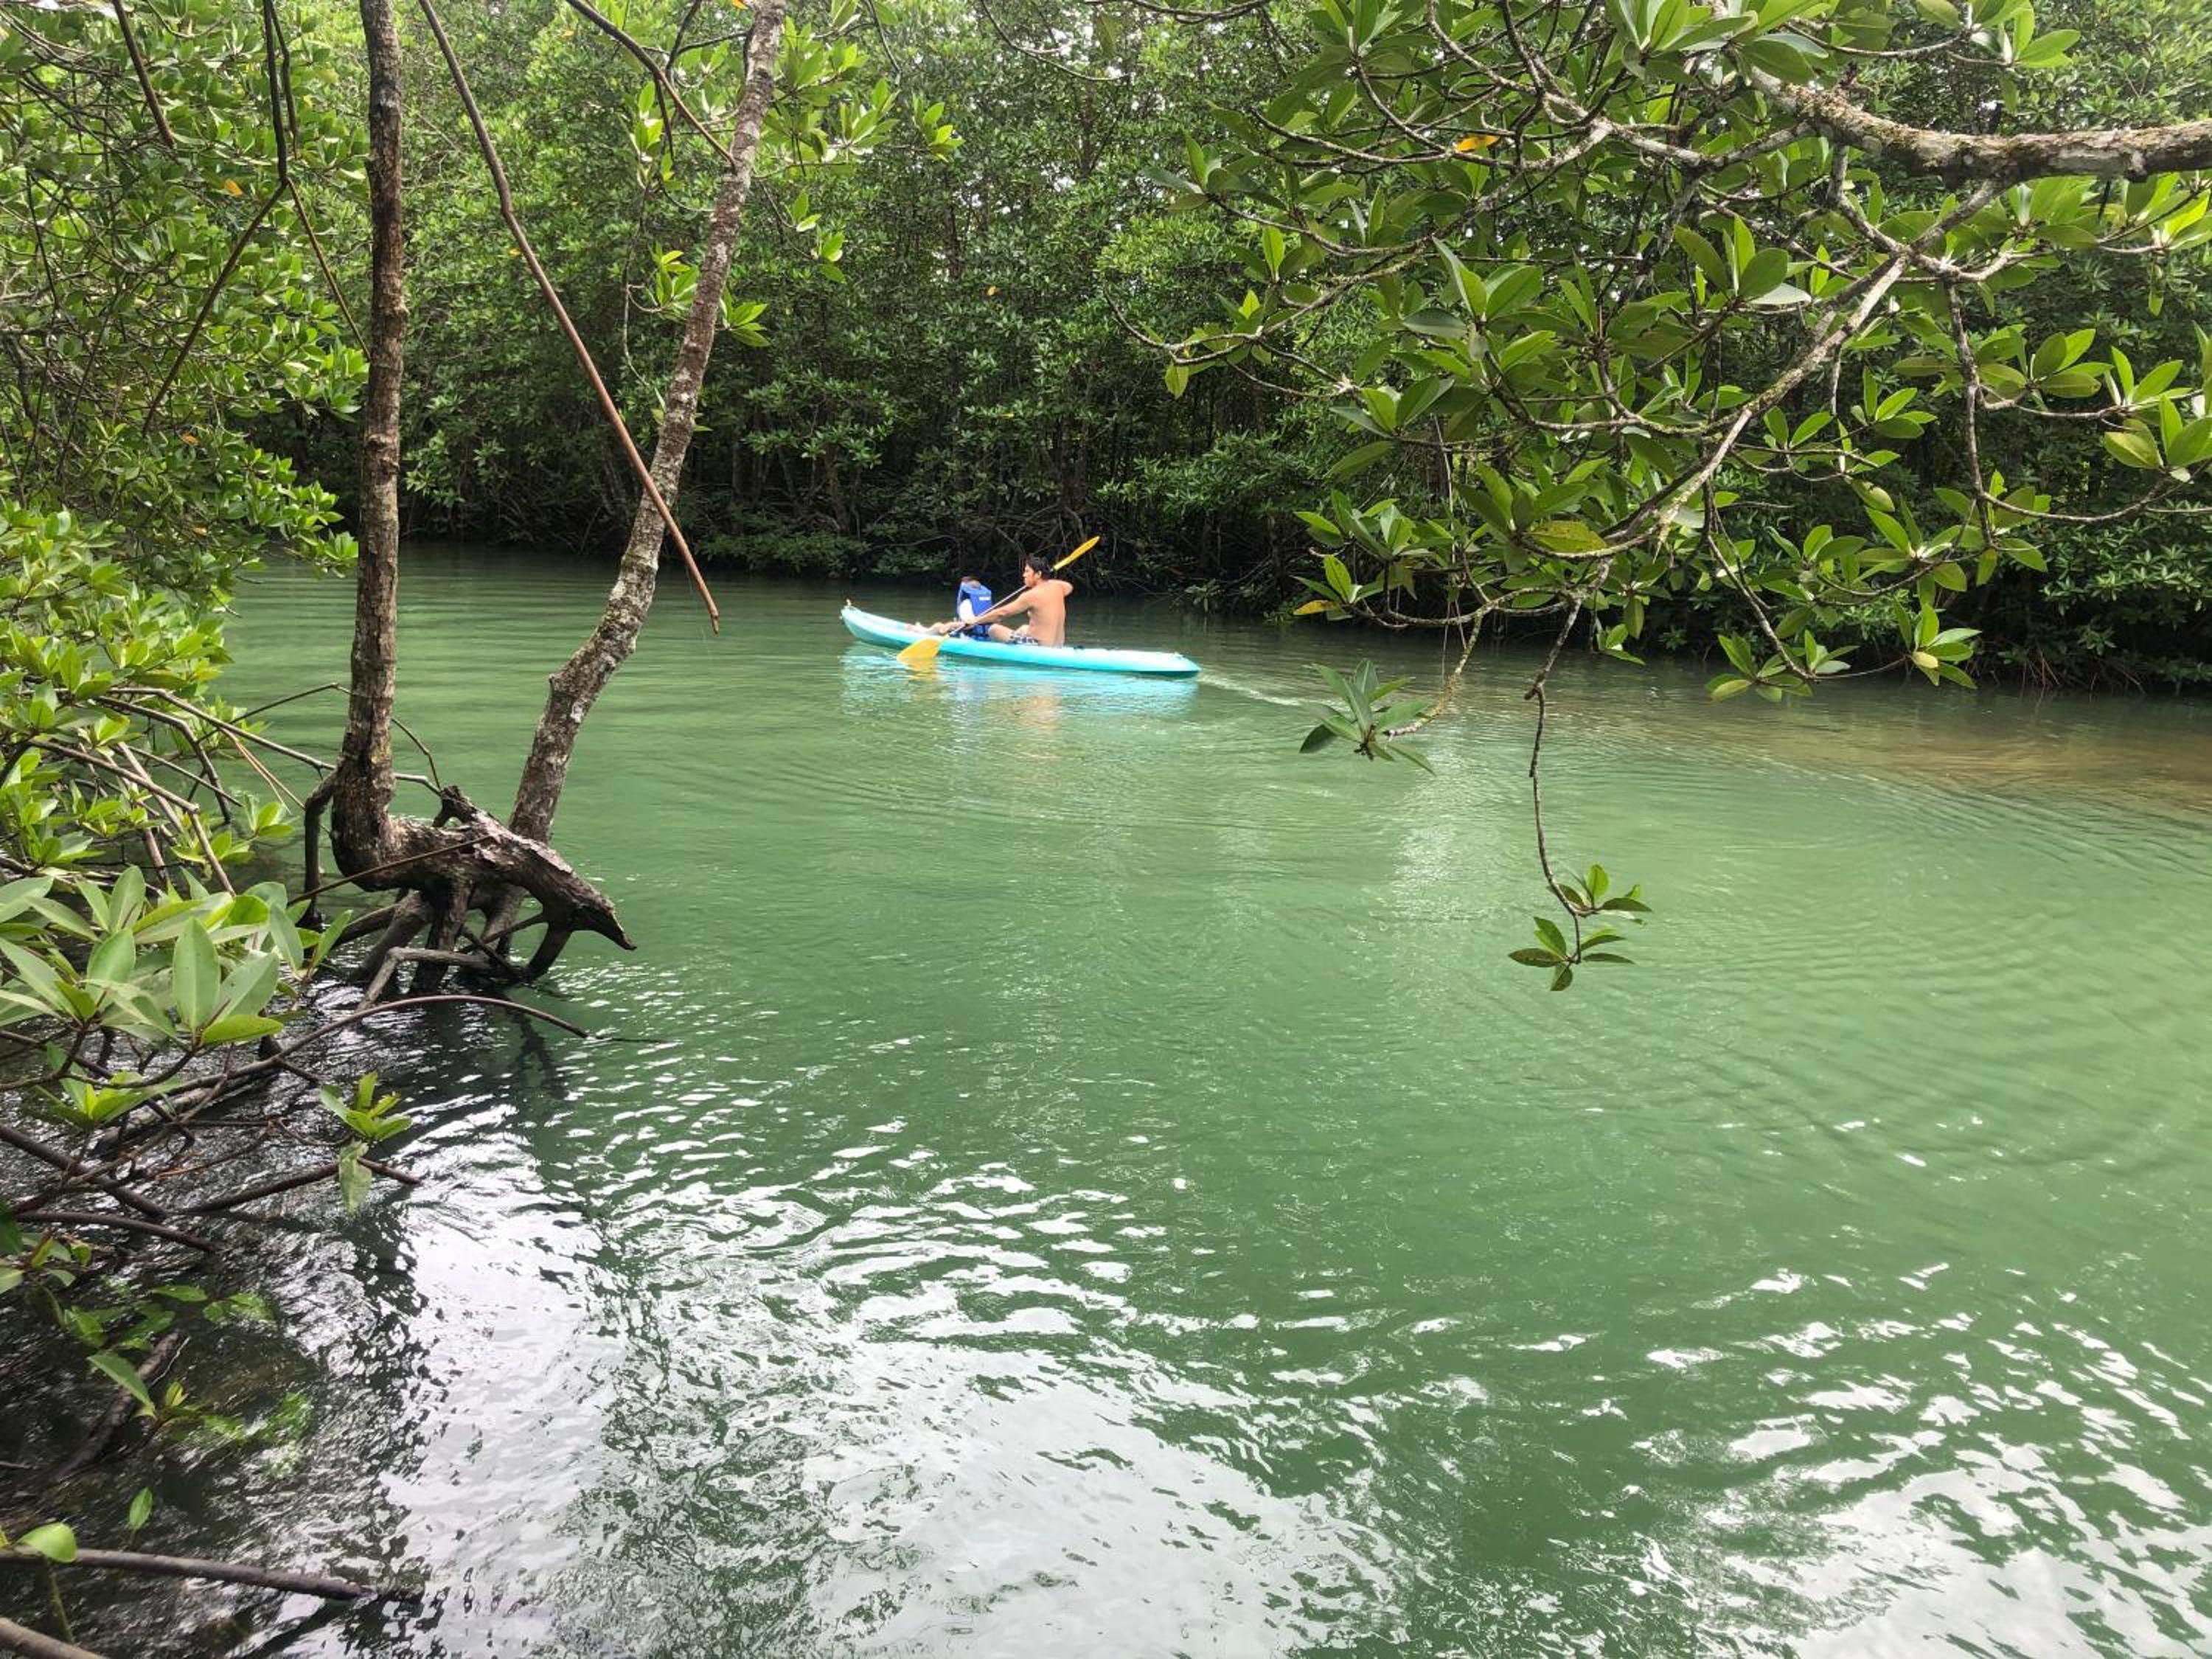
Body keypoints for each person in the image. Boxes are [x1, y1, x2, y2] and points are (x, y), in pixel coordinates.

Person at [967, 552, 1072, 646]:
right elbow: (1069, 587)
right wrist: (1045, 579)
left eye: (1027, 572)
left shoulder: (1031, 595)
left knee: (994, 629)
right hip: (1057, 646)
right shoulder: (1059, 588)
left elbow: (1001, 614)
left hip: (1039, 647)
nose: (1024, 575)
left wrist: (976, 621)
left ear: (1038, 574)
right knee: (1024, 628)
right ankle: (1016, 644)